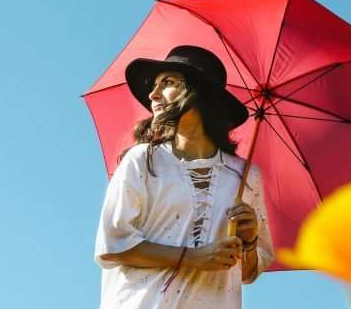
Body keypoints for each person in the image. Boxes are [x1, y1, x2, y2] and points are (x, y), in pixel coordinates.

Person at [94, 45, 274, 309]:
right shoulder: (143, 160)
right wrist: (192, 258)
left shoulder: (245, 176)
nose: (153, 94)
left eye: (167, 83)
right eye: (154, 85)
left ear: (199, 93)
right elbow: (113, 244)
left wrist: (249, 242)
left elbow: (246, 273)